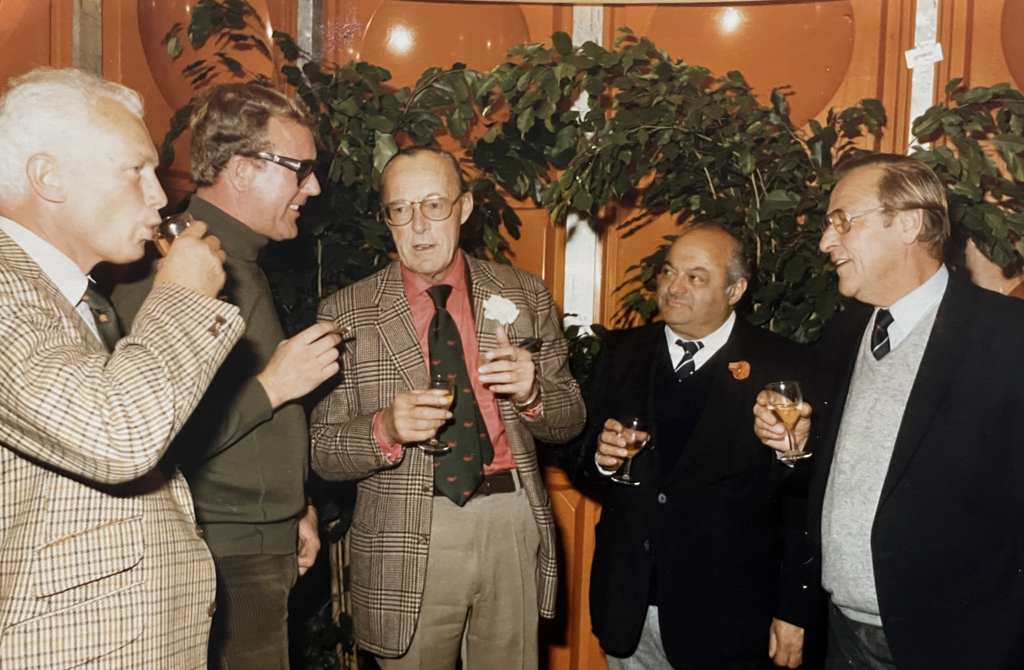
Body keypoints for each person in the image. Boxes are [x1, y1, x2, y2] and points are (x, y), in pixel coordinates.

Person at [0, 68, 243, 668]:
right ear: (48, 176)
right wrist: (182, 295)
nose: (159, 196)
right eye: (135, 170)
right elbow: (116, 435)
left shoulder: (69, 295)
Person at [310, 146, 585, 669]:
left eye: (434, 205)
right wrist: (384, 428)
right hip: (406, 532)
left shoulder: (523, 294)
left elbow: (570, 419)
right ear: (386, 218)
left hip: (509, 519)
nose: (418, 225)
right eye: (400, 209)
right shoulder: (346, 312)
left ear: (464, 208)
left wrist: (532, 394)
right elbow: (322, 451)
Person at [754, 153, 1024, 670]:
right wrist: (795, 447)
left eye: (842, 221)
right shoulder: (843, 333)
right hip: (842, 634)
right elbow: (812, 493)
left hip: (961, 644)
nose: (825, 242)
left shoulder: (1007, 336)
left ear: (907, 224)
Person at [111, 83, 341, 669]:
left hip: (257, 545)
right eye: (300, 169)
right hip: (219, 555)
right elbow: (145, 434)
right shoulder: (171, 266)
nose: (314, 187)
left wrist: (294, 507)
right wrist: (274, 386)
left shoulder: (236, 257)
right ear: (241, 169)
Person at [569, 226, 814, 670]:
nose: (673, 287)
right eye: (668, 272)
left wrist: (795, 609)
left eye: (695, 277)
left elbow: (804, 499)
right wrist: (600, 460)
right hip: (630, 608)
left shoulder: (783, 364)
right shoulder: (622, 352)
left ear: (735, 290)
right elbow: (575, 450)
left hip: (730, 619)